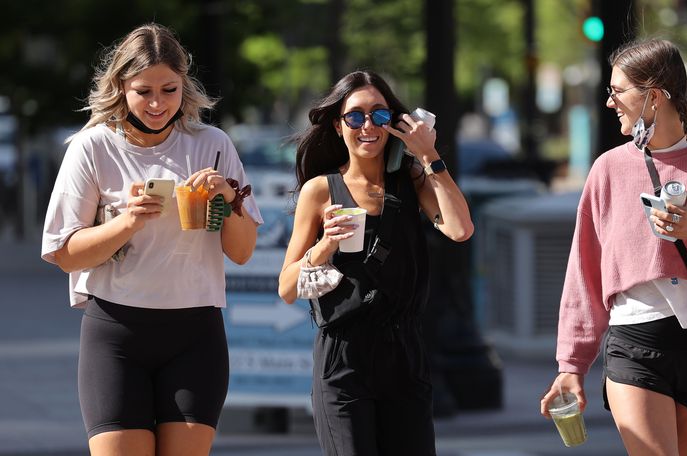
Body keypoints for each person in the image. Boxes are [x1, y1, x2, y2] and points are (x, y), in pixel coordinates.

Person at [540, 39, 687, 455]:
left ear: (653, 96)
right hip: (634, 342)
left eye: (617, 91)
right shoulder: (609, 170)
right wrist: (571, 364)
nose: (609, 102)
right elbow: (585, 272)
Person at [41, 23, 262, 455]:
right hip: (116, 331)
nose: (157, 103)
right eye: (144, 91)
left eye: (170, 89)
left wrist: (227, 196)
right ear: (121, 87)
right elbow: (64, 254)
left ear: (185, 87)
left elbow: (241, 252)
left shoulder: (212, 145)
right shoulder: (92, 147)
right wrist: (127, 222)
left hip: (195, 332)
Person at [278, 70, 473, 455]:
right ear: (338, 125)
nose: (368, 125)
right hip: (344, 357)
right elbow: (286, 287)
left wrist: (428, 155)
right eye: (355, 116)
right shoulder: (321, 190)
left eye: (380, 115)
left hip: (404, 353)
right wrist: (323, 247)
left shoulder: (412, 179)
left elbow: (460, 229)